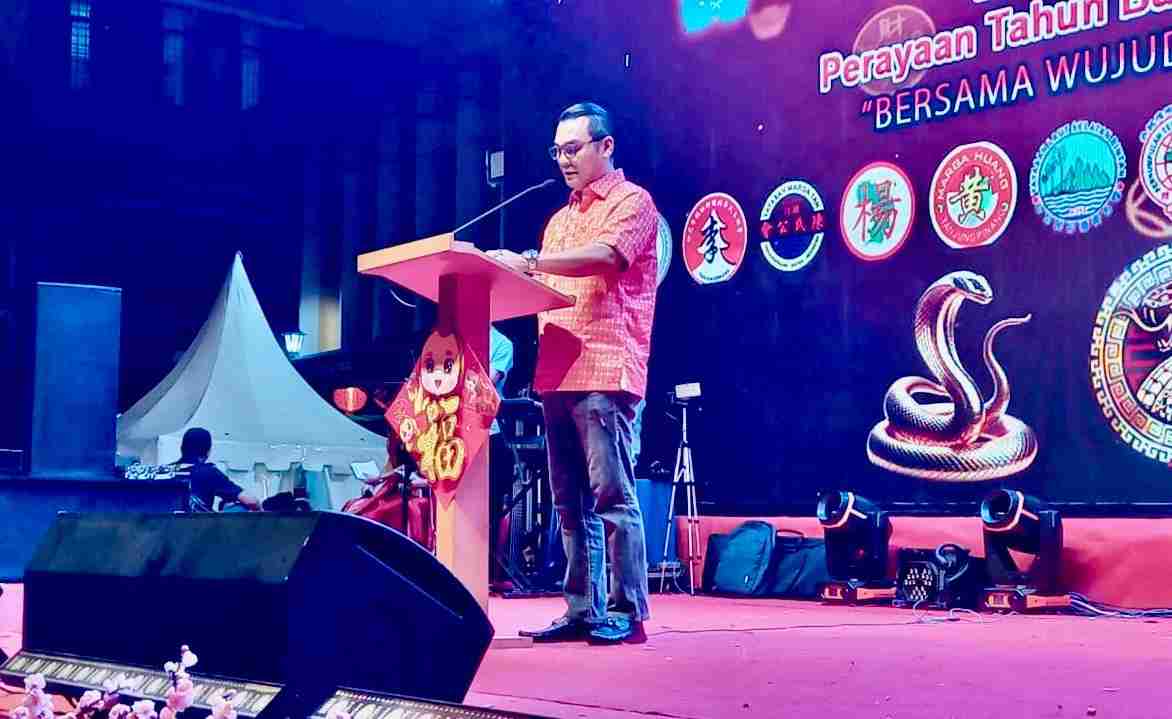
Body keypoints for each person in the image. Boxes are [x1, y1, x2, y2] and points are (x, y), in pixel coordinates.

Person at [489, 102, 658, 644]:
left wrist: (528, 261)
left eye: (573, 148)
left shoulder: (632, 201)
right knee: (569, 502)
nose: (563, 160)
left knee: (612, 496)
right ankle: (583, 608)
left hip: (604, 368)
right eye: (557, 150)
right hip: (555, 373)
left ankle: (628, 611)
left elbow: (607, 256)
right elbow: (540, 285)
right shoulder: (558, 220)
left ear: (605, 146)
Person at [170, 427, 261, 512]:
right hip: (196, 523)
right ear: (208, 451)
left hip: (165, 522)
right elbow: (251, 501)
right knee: (239, 508)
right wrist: (260, 510)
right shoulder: (208, 472)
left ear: (182, 448)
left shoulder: (166, 471)